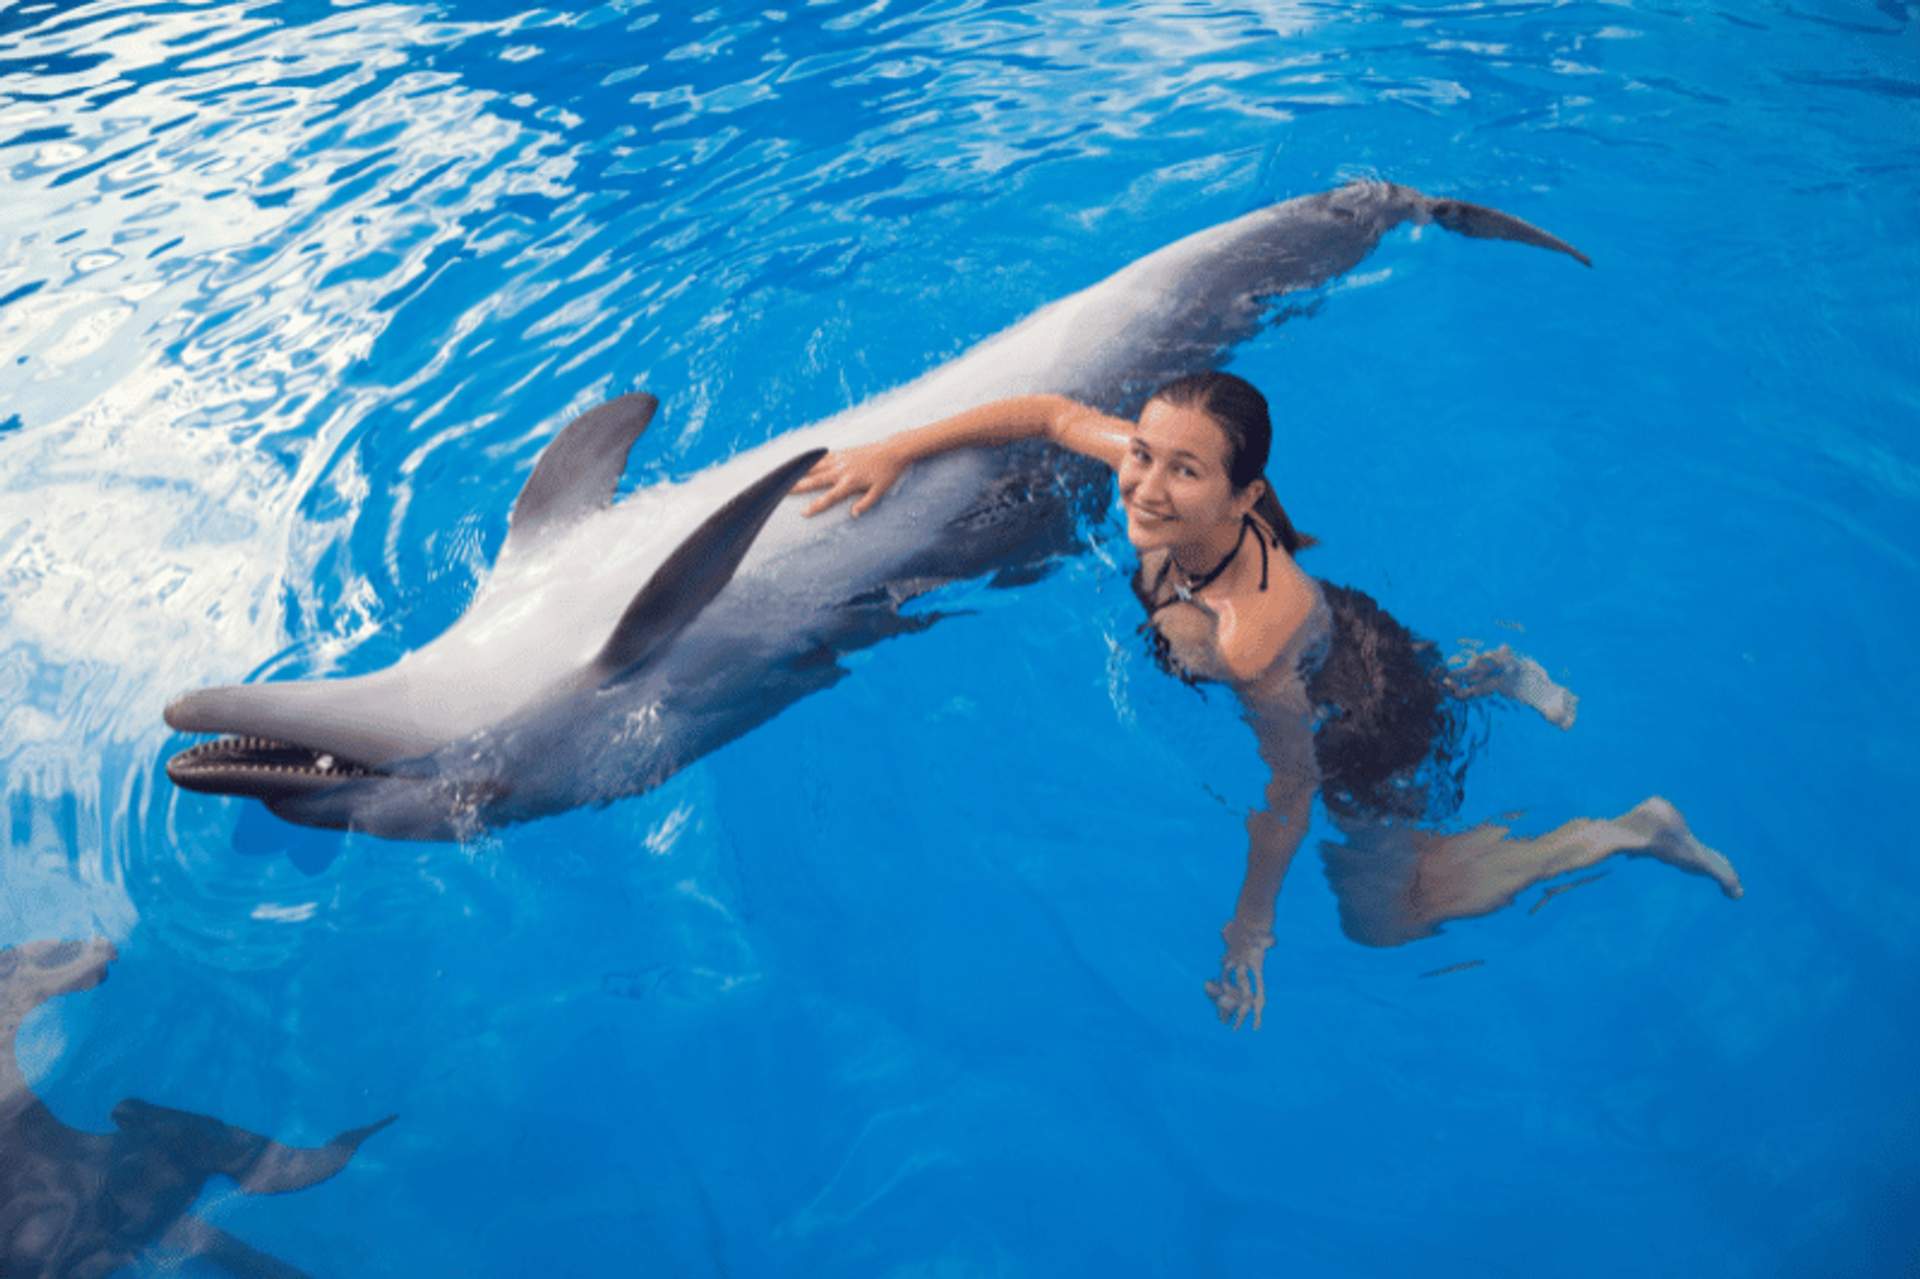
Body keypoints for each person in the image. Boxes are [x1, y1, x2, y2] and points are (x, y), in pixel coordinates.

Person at [791, 372, 1742, 1029]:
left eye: (1183, 470)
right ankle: (1488, 670)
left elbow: (1291, 790)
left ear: (1245, 497)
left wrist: (1254, 918)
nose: (1144, 485)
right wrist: (894, 448)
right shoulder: (1165, 482)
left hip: (1359, 719)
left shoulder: (1247, 643)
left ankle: (1627, 831)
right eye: (1146, 454)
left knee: (1385, 913)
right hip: (1346, 625)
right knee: (1359, 654)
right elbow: (1045, 414)